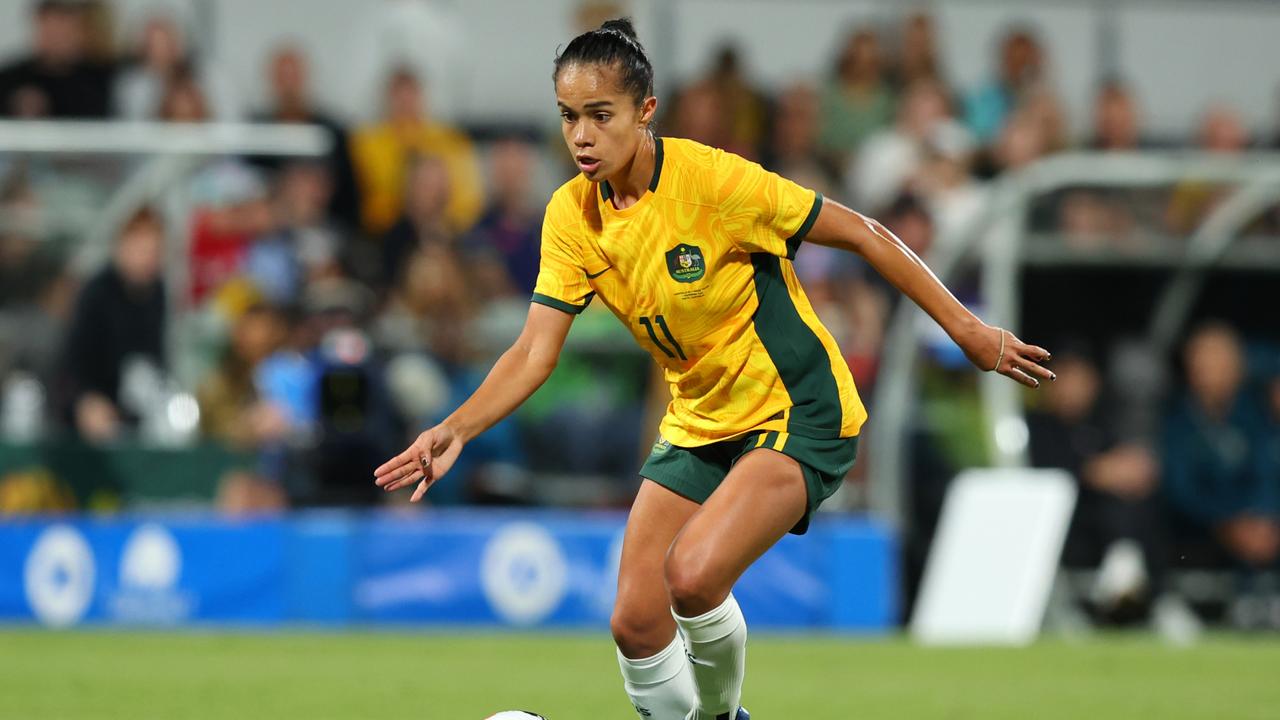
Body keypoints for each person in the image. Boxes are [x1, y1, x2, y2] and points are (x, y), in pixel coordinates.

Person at [373, 19, 1052, 720]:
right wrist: (455, 428)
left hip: (793, 410)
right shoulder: (571, 216)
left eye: (600, 116)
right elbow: (532, 352)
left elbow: (865, 233)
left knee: (692, 578)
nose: (581, 136)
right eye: (569, 117)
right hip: (700, 418)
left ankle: (723, 718)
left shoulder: (715, 183)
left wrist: (968, 329)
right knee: (635, 623)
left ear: (645, 111)